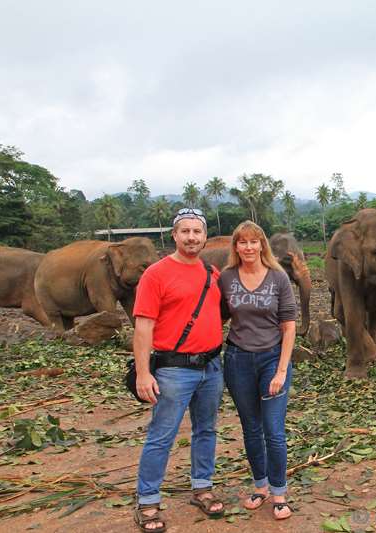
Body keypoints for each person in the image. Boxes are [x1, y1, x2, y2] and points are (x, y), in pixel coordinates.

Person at [132, 208, 225, 532]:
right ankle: (148, 501)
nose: (191, 237)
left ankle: (202, 486)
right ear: (174, 235)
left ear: (204, 237)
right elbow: (143, 326)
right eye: (185, 231)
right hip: (173, 370)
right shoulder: (156, 274)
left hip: (212, 367)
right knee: (162, 435)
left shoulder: (212, 274)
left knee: (207, 430)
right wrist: (144, 373)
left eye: (197, 232)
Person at [220, 220, 297, 520]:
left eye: (254, 241)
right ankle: (260, 486)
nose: (249, 247)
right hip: (238, 361)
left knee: (273, 430)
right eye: (243, 242)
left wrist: (281, 371)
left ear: (262, 245)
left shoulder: (278, 278)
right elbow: (217, 317)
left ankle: (279, 492)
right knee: (251, 428)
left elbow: (288, 327)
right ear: (236, 247)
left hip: (272, 360)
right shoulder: (226, 278)